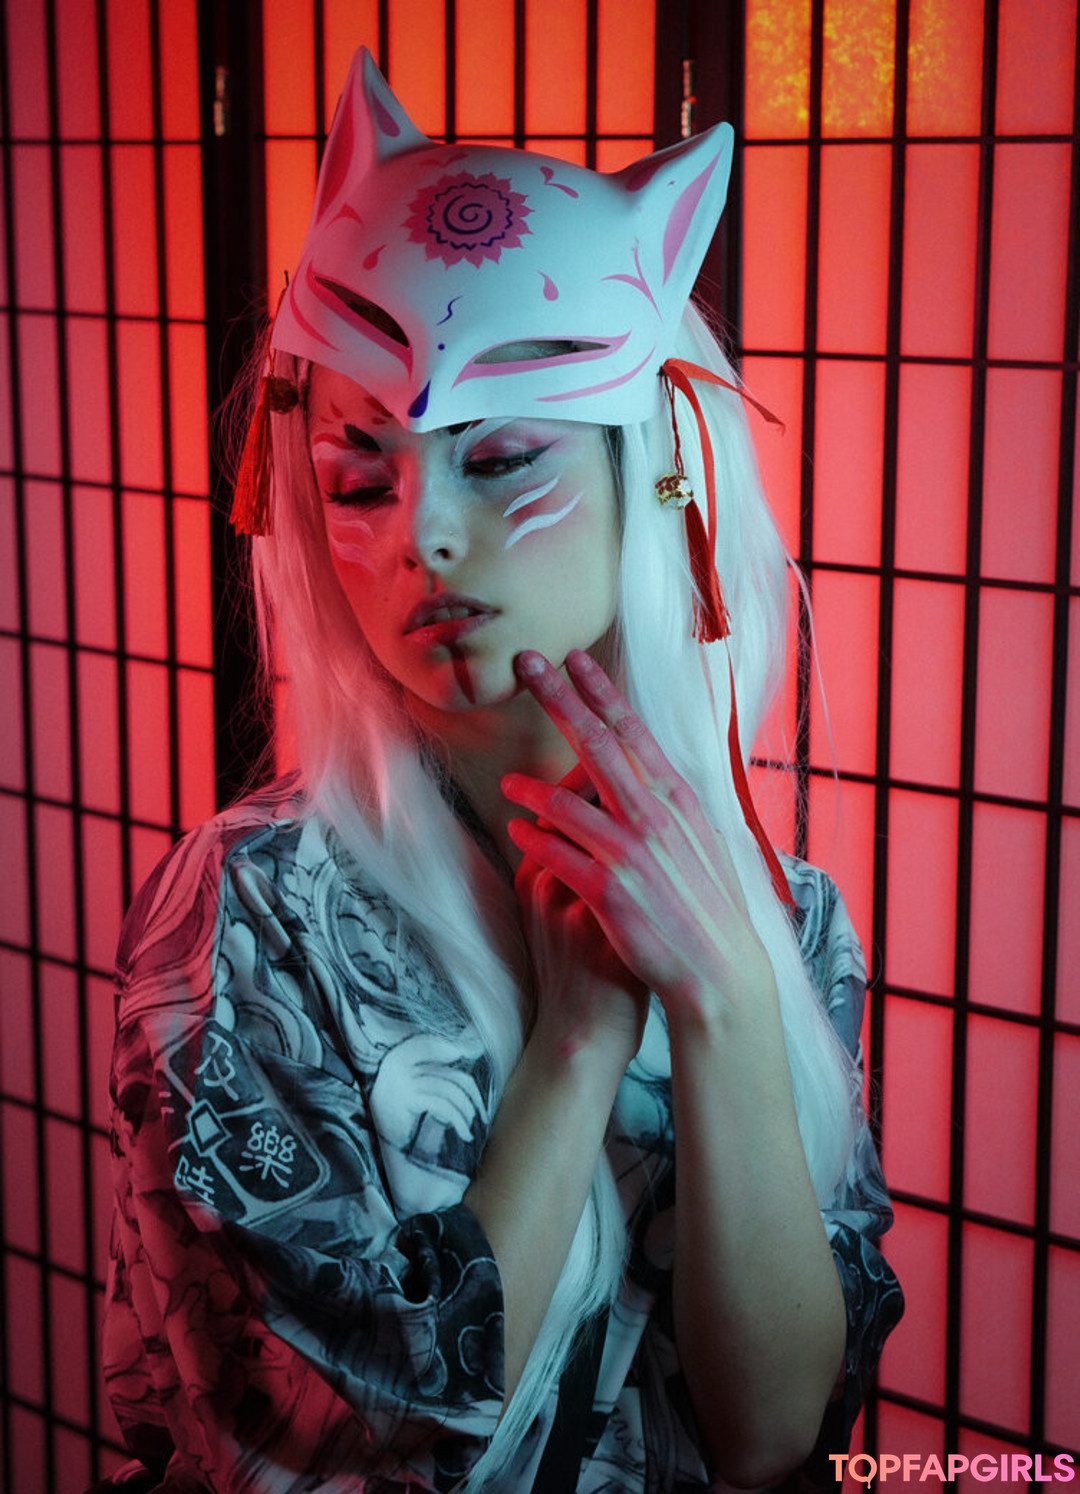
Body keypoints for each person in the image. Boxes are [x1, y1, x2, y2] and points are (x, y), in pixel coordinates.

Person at [102, 48, 903, 1494]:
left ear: (658, 474)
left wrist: (725, 1000)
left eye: (505, 459)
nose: (425, 533)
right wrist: (579, 1039)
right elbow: (332, 1443)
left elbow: (781, 1438)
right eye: (361, 477)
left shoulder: (789, 921)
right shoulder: (247, 914)